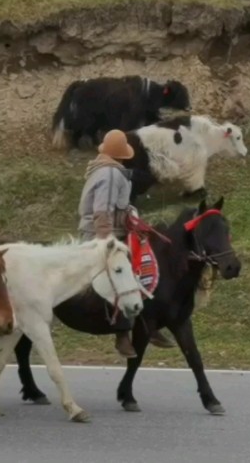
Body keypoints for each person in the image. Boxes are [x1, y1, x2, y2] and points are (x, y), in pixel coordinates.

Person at [78, 129, 175, 358]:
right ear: (123, 154)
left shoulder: (102, 171)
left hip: (109, 230)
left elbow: (114, 207)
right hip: (103, 235)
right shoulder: (111, 174)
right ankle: (123, 333)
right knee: (126, 275)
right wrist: (106, 243)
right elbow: (103, 210)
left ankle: (146, 324)